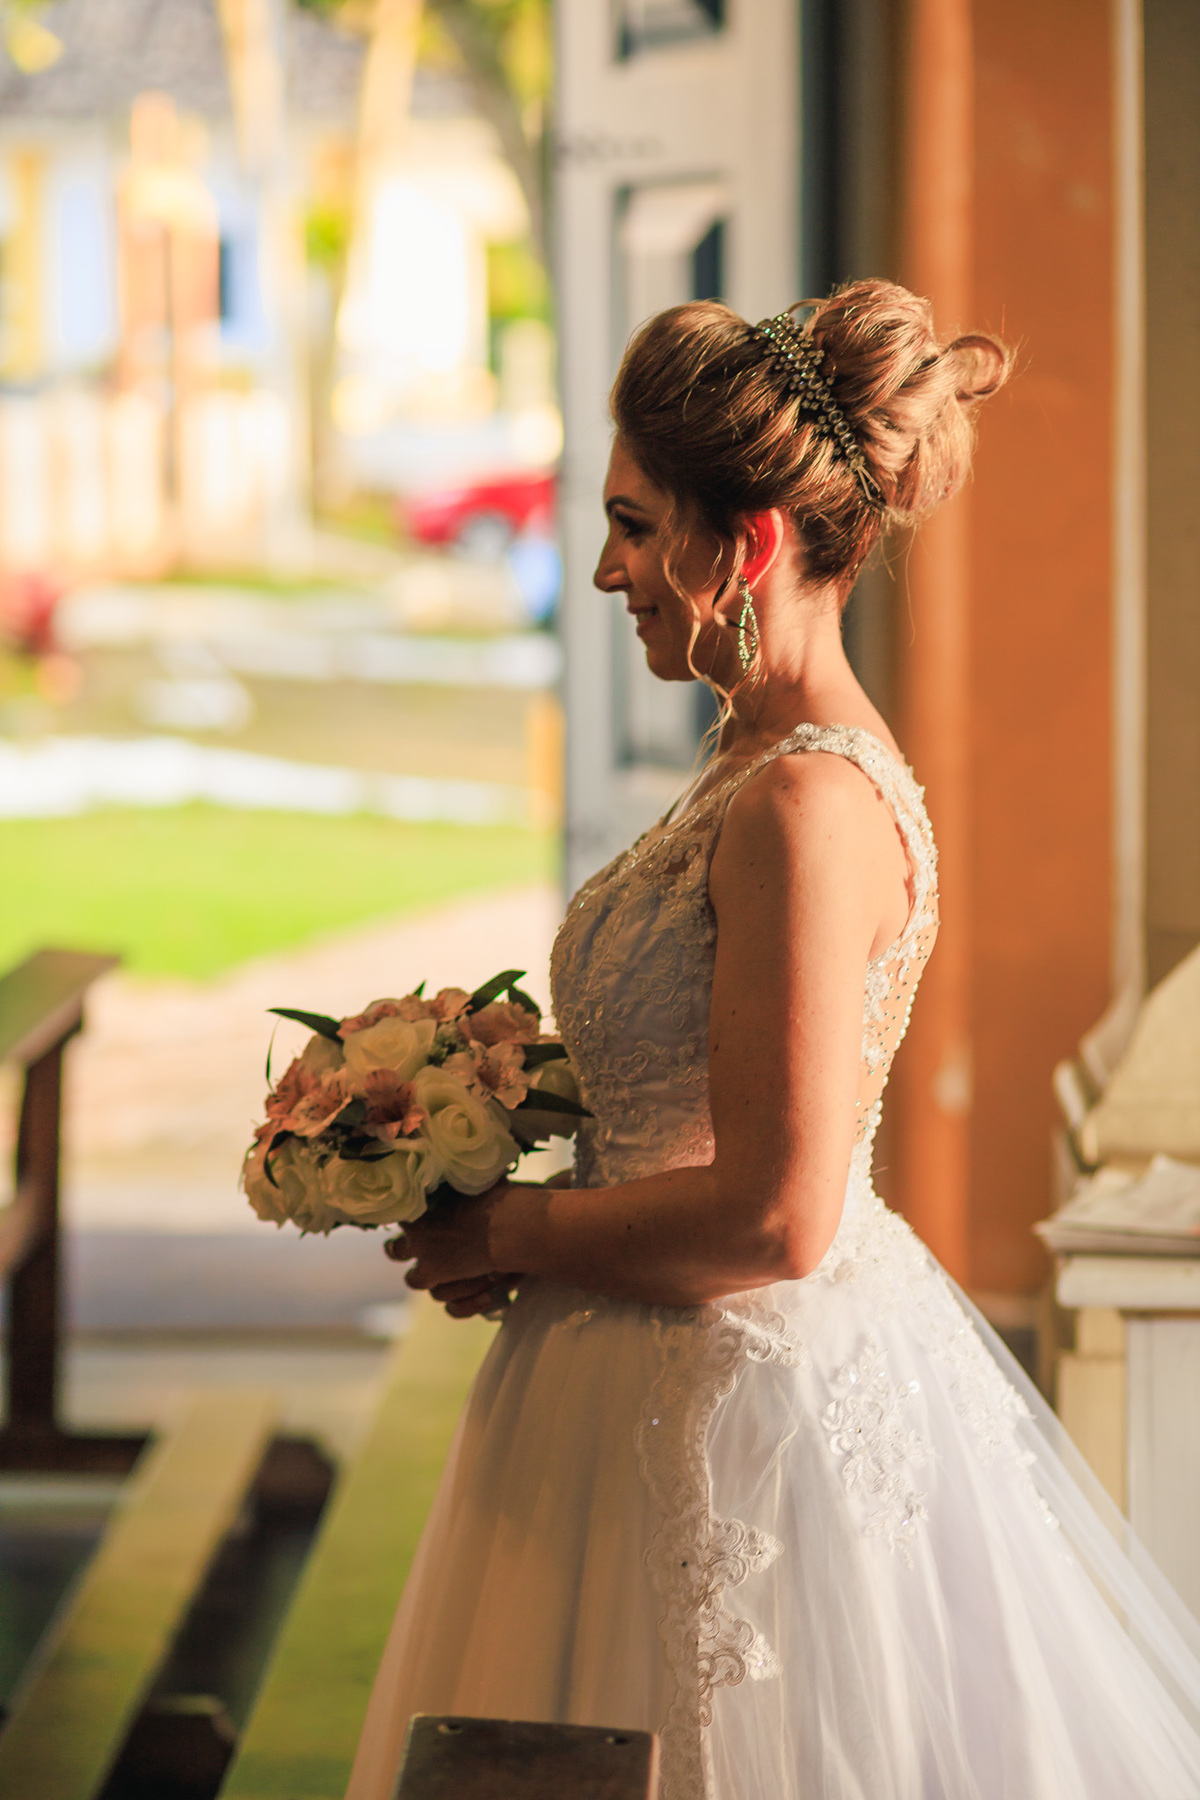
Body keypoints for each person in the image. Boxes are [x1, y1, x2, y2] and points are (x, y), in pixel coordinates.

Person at [348, 282, 1200, 1800]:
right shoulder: (744, 753)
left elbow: (778, 1214)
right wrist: (478, 1097)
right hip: (620, 1364)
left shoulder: (807, 806)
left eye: (630, 522)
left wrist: (514, 1229)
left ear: (738, 543)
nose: (606, 568)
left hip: (729, 1421)